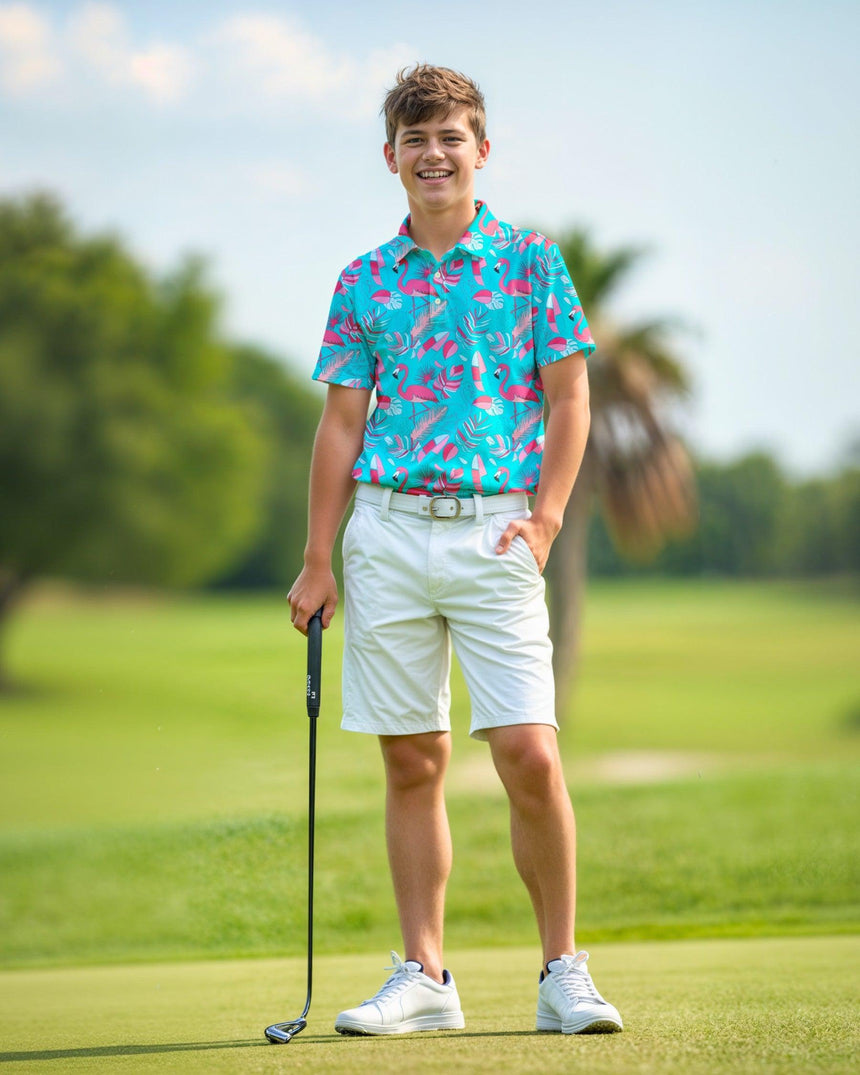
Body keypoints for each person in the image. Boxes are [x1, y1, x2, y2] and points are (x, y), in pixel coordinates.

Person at [288, 63, 622, 1037]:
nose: (432, 154)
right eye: (414, 139)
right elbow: (341, 426)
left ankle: (563, 970)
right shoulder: (363, 278)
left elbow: (569, 398)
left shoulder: (529, 260)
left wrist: (548, 518)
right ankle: (424, 975)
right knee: (412, 761)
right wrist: (319, 557)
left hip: (497, 527)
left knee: (526, 750)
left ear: (480, 148)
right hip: (386, 531)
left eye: (450, 137)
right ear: (389, 156)